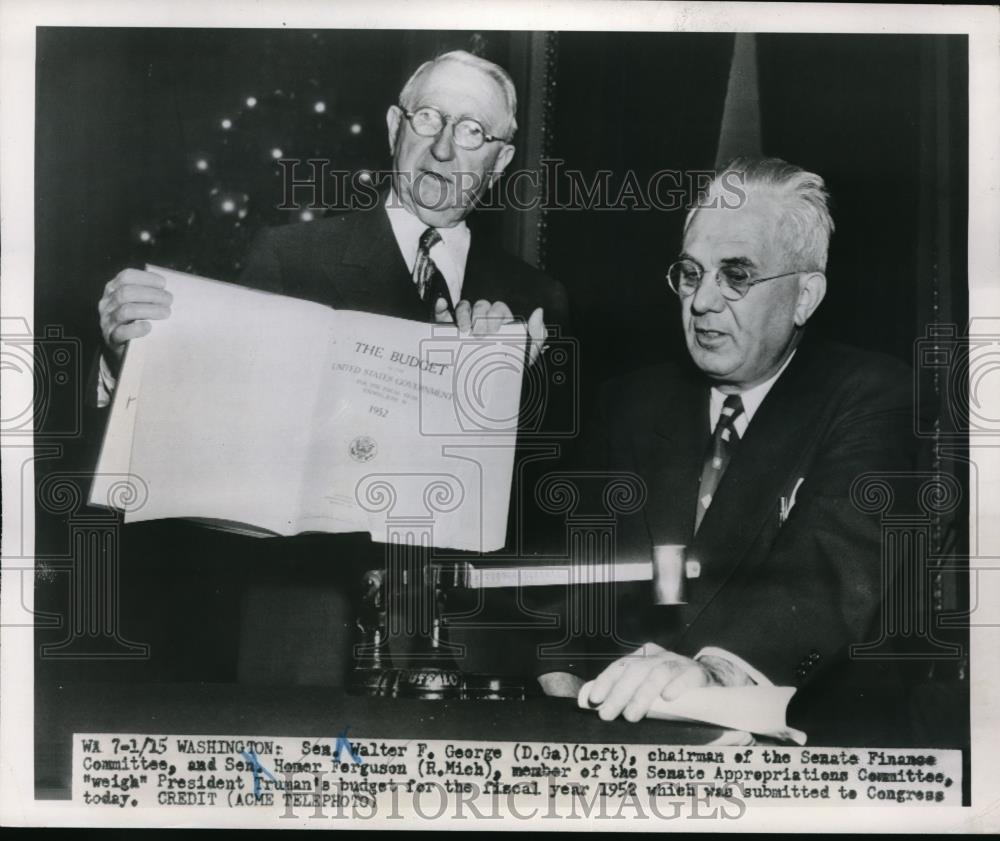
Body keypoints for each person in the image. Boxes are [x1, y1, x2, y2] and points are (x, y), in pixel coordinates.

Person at [93, 50, 570, 684]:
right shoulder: (291, 258)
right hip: (308, 644)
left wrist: (513, 391)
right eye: (428, 118)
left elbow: (552, 504)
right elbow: (217, 439)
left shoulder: (538, 299)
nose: (445, 148)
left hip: (469, 653)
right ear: (394, 126)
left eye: (473, 131)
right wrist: (130, 358)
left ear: (502, 158)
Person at [539, 157, 917, 742]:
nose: (702, 302)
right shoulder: (629, 404)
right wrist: (558, 695)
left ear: (804, 297)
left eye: (736, 275)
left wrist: (716, 671)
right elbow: (572, 586)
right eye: (692, 274)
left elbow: (832, 569)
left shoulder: (874, 397)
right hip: (620, 739)